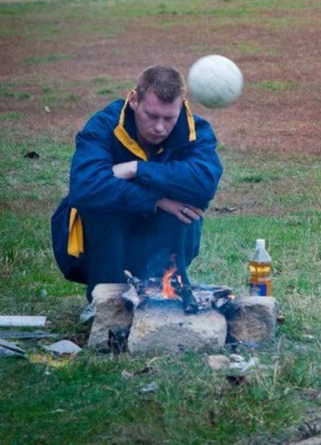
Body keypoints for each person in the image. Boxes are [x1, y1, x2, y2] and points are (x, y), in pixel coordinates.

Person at [51, 65, 223, 301]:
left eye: (169, 118)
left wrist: (137, 169)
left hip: (163, 241)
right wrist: (155, 200)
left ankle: (169, 295)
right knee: (103, 204)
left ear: (181, 106)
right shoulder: (103, 126)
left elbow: (205, 183)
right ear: (133, 100)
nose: (160, 127)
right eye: (151, 116)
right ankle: (107, 304)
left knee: (186, 202)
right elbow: (84, 188)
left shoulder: (196, 130)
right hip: (93, 250)